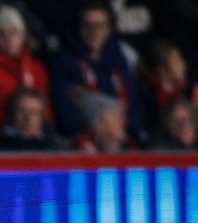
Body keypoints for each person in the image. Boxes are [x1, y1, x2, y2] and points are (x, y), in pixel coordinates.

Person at [47, 2, 143, 145]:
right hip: (81, 143)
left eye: (100, 26)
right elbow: (64, 111)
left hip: (120, 138)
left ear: (109, 29)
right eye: (88, 25)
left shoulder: (119, 60)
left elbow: (132, 105)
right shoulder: (64, 62)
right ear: (78, 27)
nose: (94, 32)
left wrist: (126, 129)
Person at [0, 4, 50, 139]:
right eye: (1, 33)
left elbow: (46, 108)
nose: (8, 38)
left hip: (36, 134)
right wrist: (1, 131)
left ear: (23, 35)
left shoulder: (36, 67)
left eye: (13, 33)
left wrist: (45, 129)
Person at [0, 86, 67, 150]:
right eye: (22, 111)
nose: (28, 118)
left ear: (42, 117)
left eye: (34, 112)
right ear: (11, 113)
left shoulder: (57, 148)